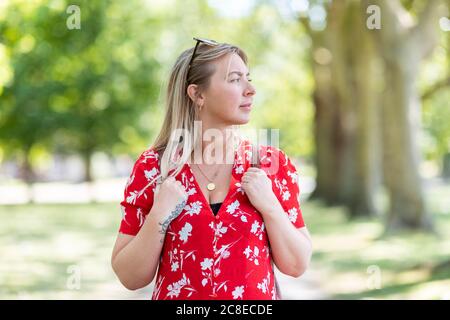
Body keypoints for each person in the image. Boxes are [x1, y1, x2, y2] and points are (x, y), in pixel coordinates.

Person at [111, 38, 312, 300]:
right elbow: (130, 277)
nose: (250, 89)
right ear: (197, 94)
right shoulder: (154, 168)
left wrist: (270, 205)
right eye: (235, 79)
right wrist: (159, 214)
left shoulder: (271, 164)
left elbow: (297, 265)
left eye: (247, 78)